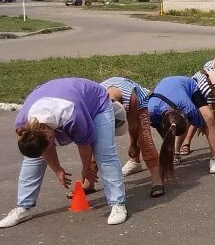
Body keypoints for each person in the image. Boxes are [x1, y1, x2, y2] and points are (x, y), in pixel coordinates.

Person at [2, 79, 129, 228]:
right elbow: (43, 149)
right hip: (56, 95)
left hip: (96, 102)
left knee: (104, 153)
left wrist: (86, 169)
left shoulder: (72, 116)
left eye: (49, 145)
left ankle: (117, 203)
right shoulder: (23, 125)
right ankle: (24, 207)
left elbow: (85, 145)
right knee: (32, 159)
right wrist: (57, 169)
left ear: (50, 136)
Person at [147, 76, 215, 175]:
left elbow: (205, 126)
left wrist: (207, 129)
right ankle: (176, 153)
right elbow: (161, 130)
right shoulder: (151, 112)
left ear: (184, 116)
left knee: (208, 118)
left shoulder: (188, 108)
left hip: (187, 85)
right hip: (165, 88)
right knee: (170, 134)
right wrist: (168, 149)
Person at [101, 77, 164, 198]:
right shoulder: (97, 97)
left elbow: (133, 124)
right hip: (109, 105)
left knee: (144, 140)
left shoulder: (132, 99)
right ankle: (88, 181)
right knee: (99, 142)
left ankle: (157, 180)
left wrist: (133, 144)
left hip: (139, 104)